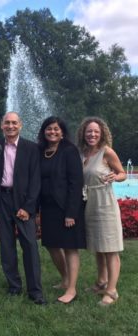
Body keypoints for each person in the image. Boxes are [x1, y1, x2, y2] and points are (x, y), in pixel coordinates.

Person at [0, 111, 46, 305]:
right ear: (1, 125)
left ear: (20, 125)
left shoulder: (31, 148)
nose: (10, 126)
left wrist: (29, 206)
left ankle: (35, 290)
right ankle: (14, 286)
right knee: (7, 247)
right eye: (7, 123)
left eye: (14, 123)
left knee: (30, 246)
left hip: (23, 202)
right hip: (2, 199)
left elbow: (36, 180)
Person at [77, 117, 126, 306]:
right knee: (98, 246)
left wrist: (116, 176)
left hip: (104, 203)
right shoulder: (82, 153)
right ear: (83, 133)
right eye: (89, 131)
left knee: (110, 248)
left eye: (96, 131)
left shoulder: (107, 152)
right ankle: (101, 281)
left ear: (102, 133)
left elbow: (122, 173)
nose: (92, 134)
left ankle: (112, 291)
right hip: (89, 203)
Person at [37, 116, 86, 304]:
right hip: (48, 207)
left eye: (56, 129)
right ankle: (65, 279)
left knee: (70, 248)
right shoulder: (41, 151)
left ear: (62, 132)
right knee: (51, 245)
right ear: (44, 132)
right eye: (49, 129)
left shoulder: (69, 151)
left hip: (66, 207)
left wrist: (71, 213)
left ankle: (72, 289)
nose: (52, 132)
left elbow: (76, 183)